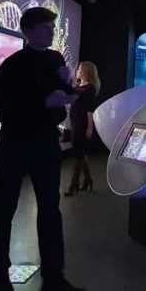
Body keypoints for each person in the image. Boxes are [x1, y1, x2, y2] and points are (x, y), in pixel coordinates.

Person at [0, 7, 84, 291]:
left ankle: (54, 276)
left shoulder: (55, 59)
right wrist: (45, 103)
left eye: (52, 26)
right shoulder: (12, 65)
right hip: (14, 144)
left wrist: (68, 86)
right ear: (28, 31)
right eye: (46, 26)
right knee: (4, 209)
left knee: (50, 210)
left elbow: (64, 97)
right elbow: (4, 110)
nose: (52, 31)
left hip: (45, 143)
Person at [65, 61, 100, 196]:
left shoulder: (90, 88)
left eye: (79, 69)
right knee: (80, 153)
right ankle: (88, 180)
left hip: (82, 123)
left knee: (78, 155)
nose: (77, 71)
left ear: (85, 71)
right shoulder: (78, 86)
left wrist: (89, 128)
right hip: (75, 122)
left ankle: (73, 186)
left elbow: (89, 110)